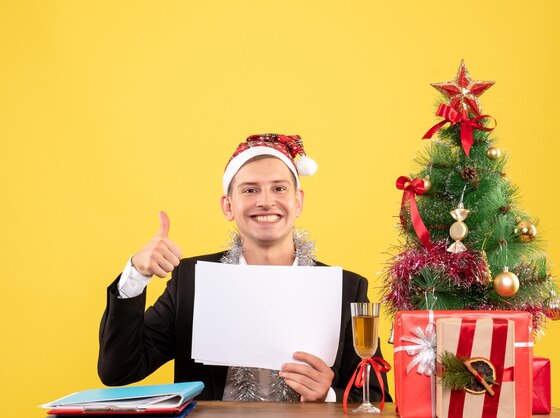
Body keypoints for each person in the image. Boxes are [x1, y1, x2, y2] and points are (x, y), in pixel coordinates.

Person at [98, 134, 390, 402]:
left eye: (279, 188)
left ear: (298, 202)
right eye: (250, 190)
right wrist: (136, 274)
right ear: (228, 206)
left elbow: (376, 399)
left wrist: (328, 395)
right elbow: (119, 370)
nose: (265, 201)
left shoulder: (345, 288)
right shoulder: (193, 282)